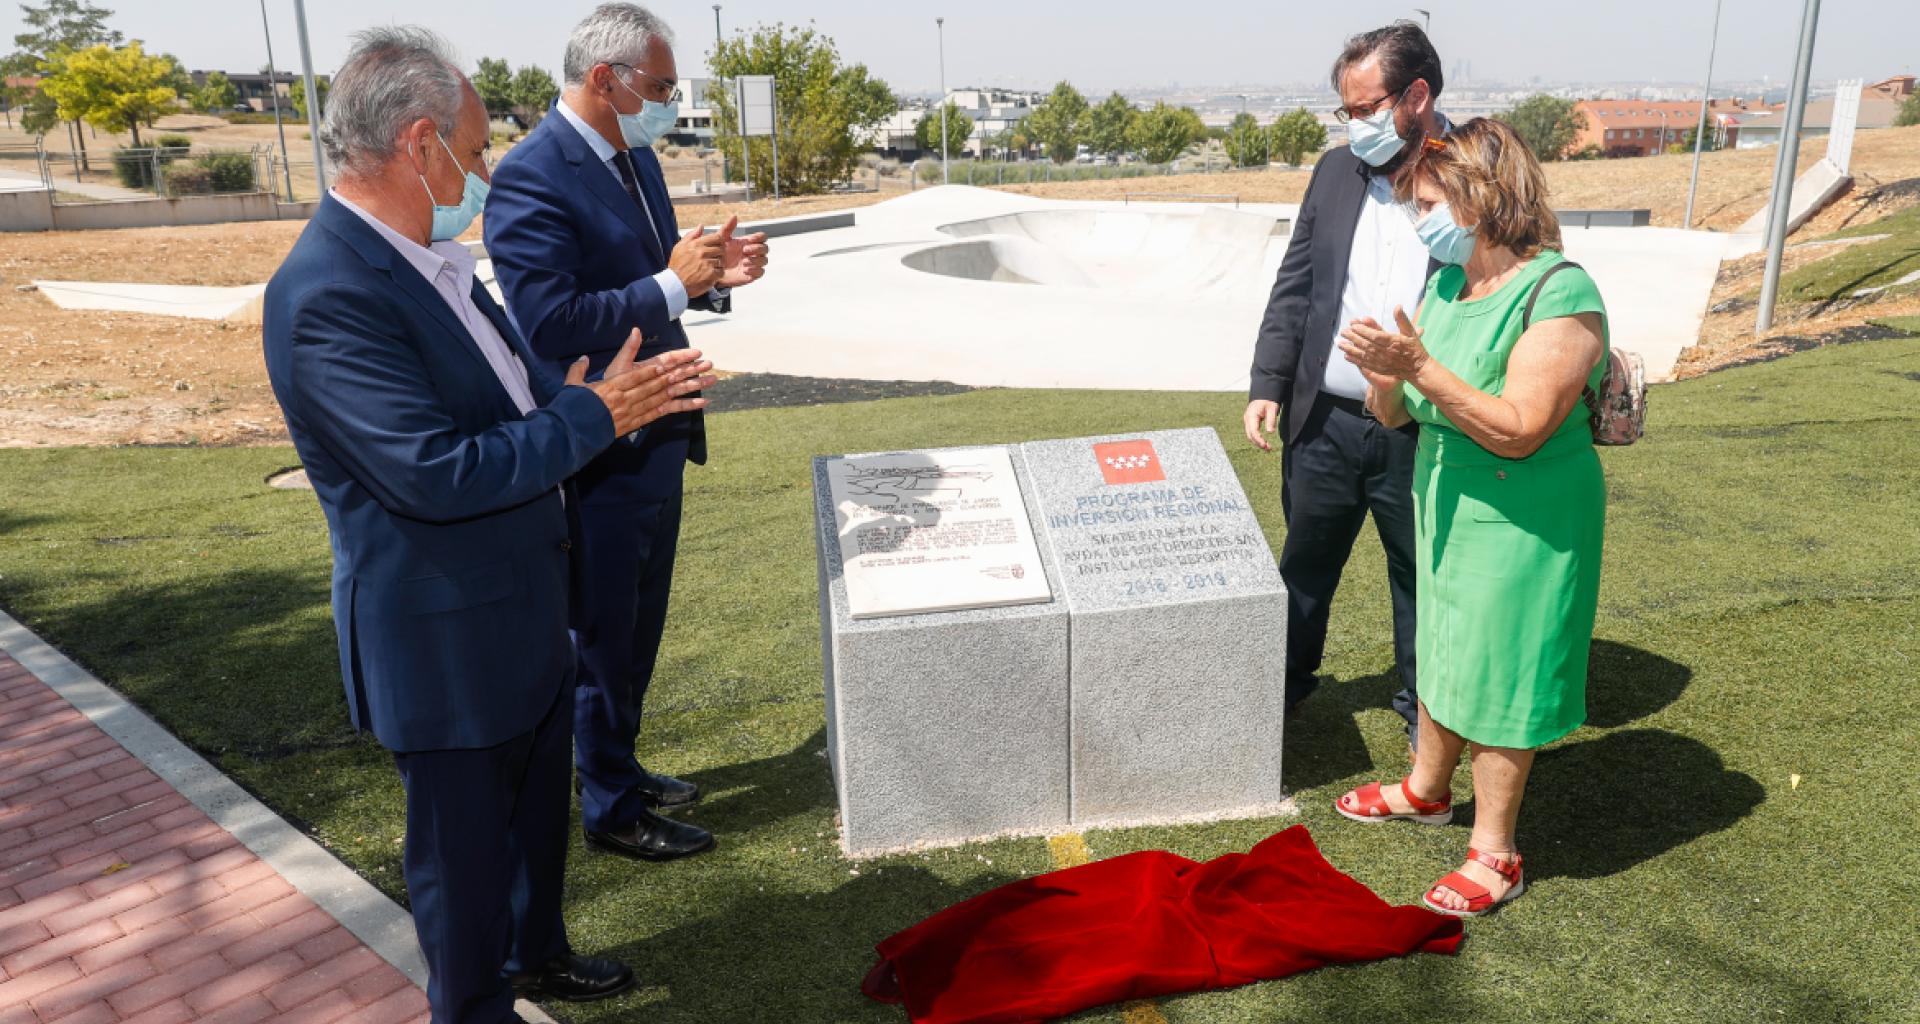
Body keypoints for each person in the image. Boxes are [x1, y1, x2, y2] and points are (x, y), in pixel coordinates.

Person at [261, 27, 716, 1021]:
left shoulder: (428, 259)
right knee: (462, 882)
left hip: (517, 611)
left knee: (530, 832)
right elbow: (435, 472)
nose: (483, 176)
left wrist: (578, 400)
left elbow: (510, 406)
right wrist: (595, 415)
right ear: (416, 145)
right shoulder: (328, 292)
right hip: (447, 646)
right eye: (470, 155)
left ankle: (541, 951)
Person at [485, 2, 768, 865]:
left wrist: (714, 278)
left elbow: (655, 278)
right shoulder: (532, 173)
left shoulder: (633, 156)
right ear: (603, 80)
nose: (667, 105)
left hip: (659, 430)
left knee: (637, 626)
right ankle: (609, 807)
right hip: (600, 442)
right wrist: (677, 286)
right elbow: (551, 320)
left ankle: (617, 764)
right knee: (604, 633)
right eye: (659, 87)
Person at [1330, 117, 1610, 918]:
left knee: (1502, 668)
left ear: (1483, 195)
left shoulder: (1561, 291)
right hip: (1449, 495)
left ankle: (1496, 852)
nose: (1422, 219)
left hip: (1526, 514)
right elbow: (1396, 414)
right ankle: (1426, 788)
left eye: (1428, 201)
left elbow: (1521, 427)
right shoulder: (1448, 284)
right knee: (1444, 645)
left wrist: (1416, 365)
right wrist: (1382, 375)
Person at [1243, 20, 1451, 749]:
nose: (1356, 124)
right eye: (1348, 111)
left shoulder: (1471, 173)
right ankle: (1282, 690)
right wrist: (1269, 380)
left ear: (1417, 95)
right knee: (1303, 563)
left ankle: (1426, 711)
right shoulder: (1334, 174)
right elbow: (1297, 283)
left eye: (1367, 107)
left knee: (1421, 576)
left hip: (1421, 429)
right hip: (1323, 421)